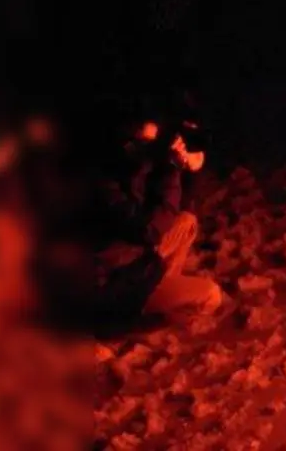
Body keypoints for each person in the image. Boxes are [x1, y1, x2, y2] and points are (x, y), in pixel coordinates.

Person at [36, 116, 221, 327]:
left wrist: (187, 169)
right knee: (210, 295)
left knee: (186, 222)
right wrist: (171, 168)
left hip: (136, 264)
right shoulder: (104, 183)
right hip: (115, 287)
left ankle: (159, 291)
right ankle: (141, 318)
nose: (151, 149)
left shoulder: (129, 169)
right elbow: (151, 228)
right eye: (144, 142)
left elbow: (177, 206)